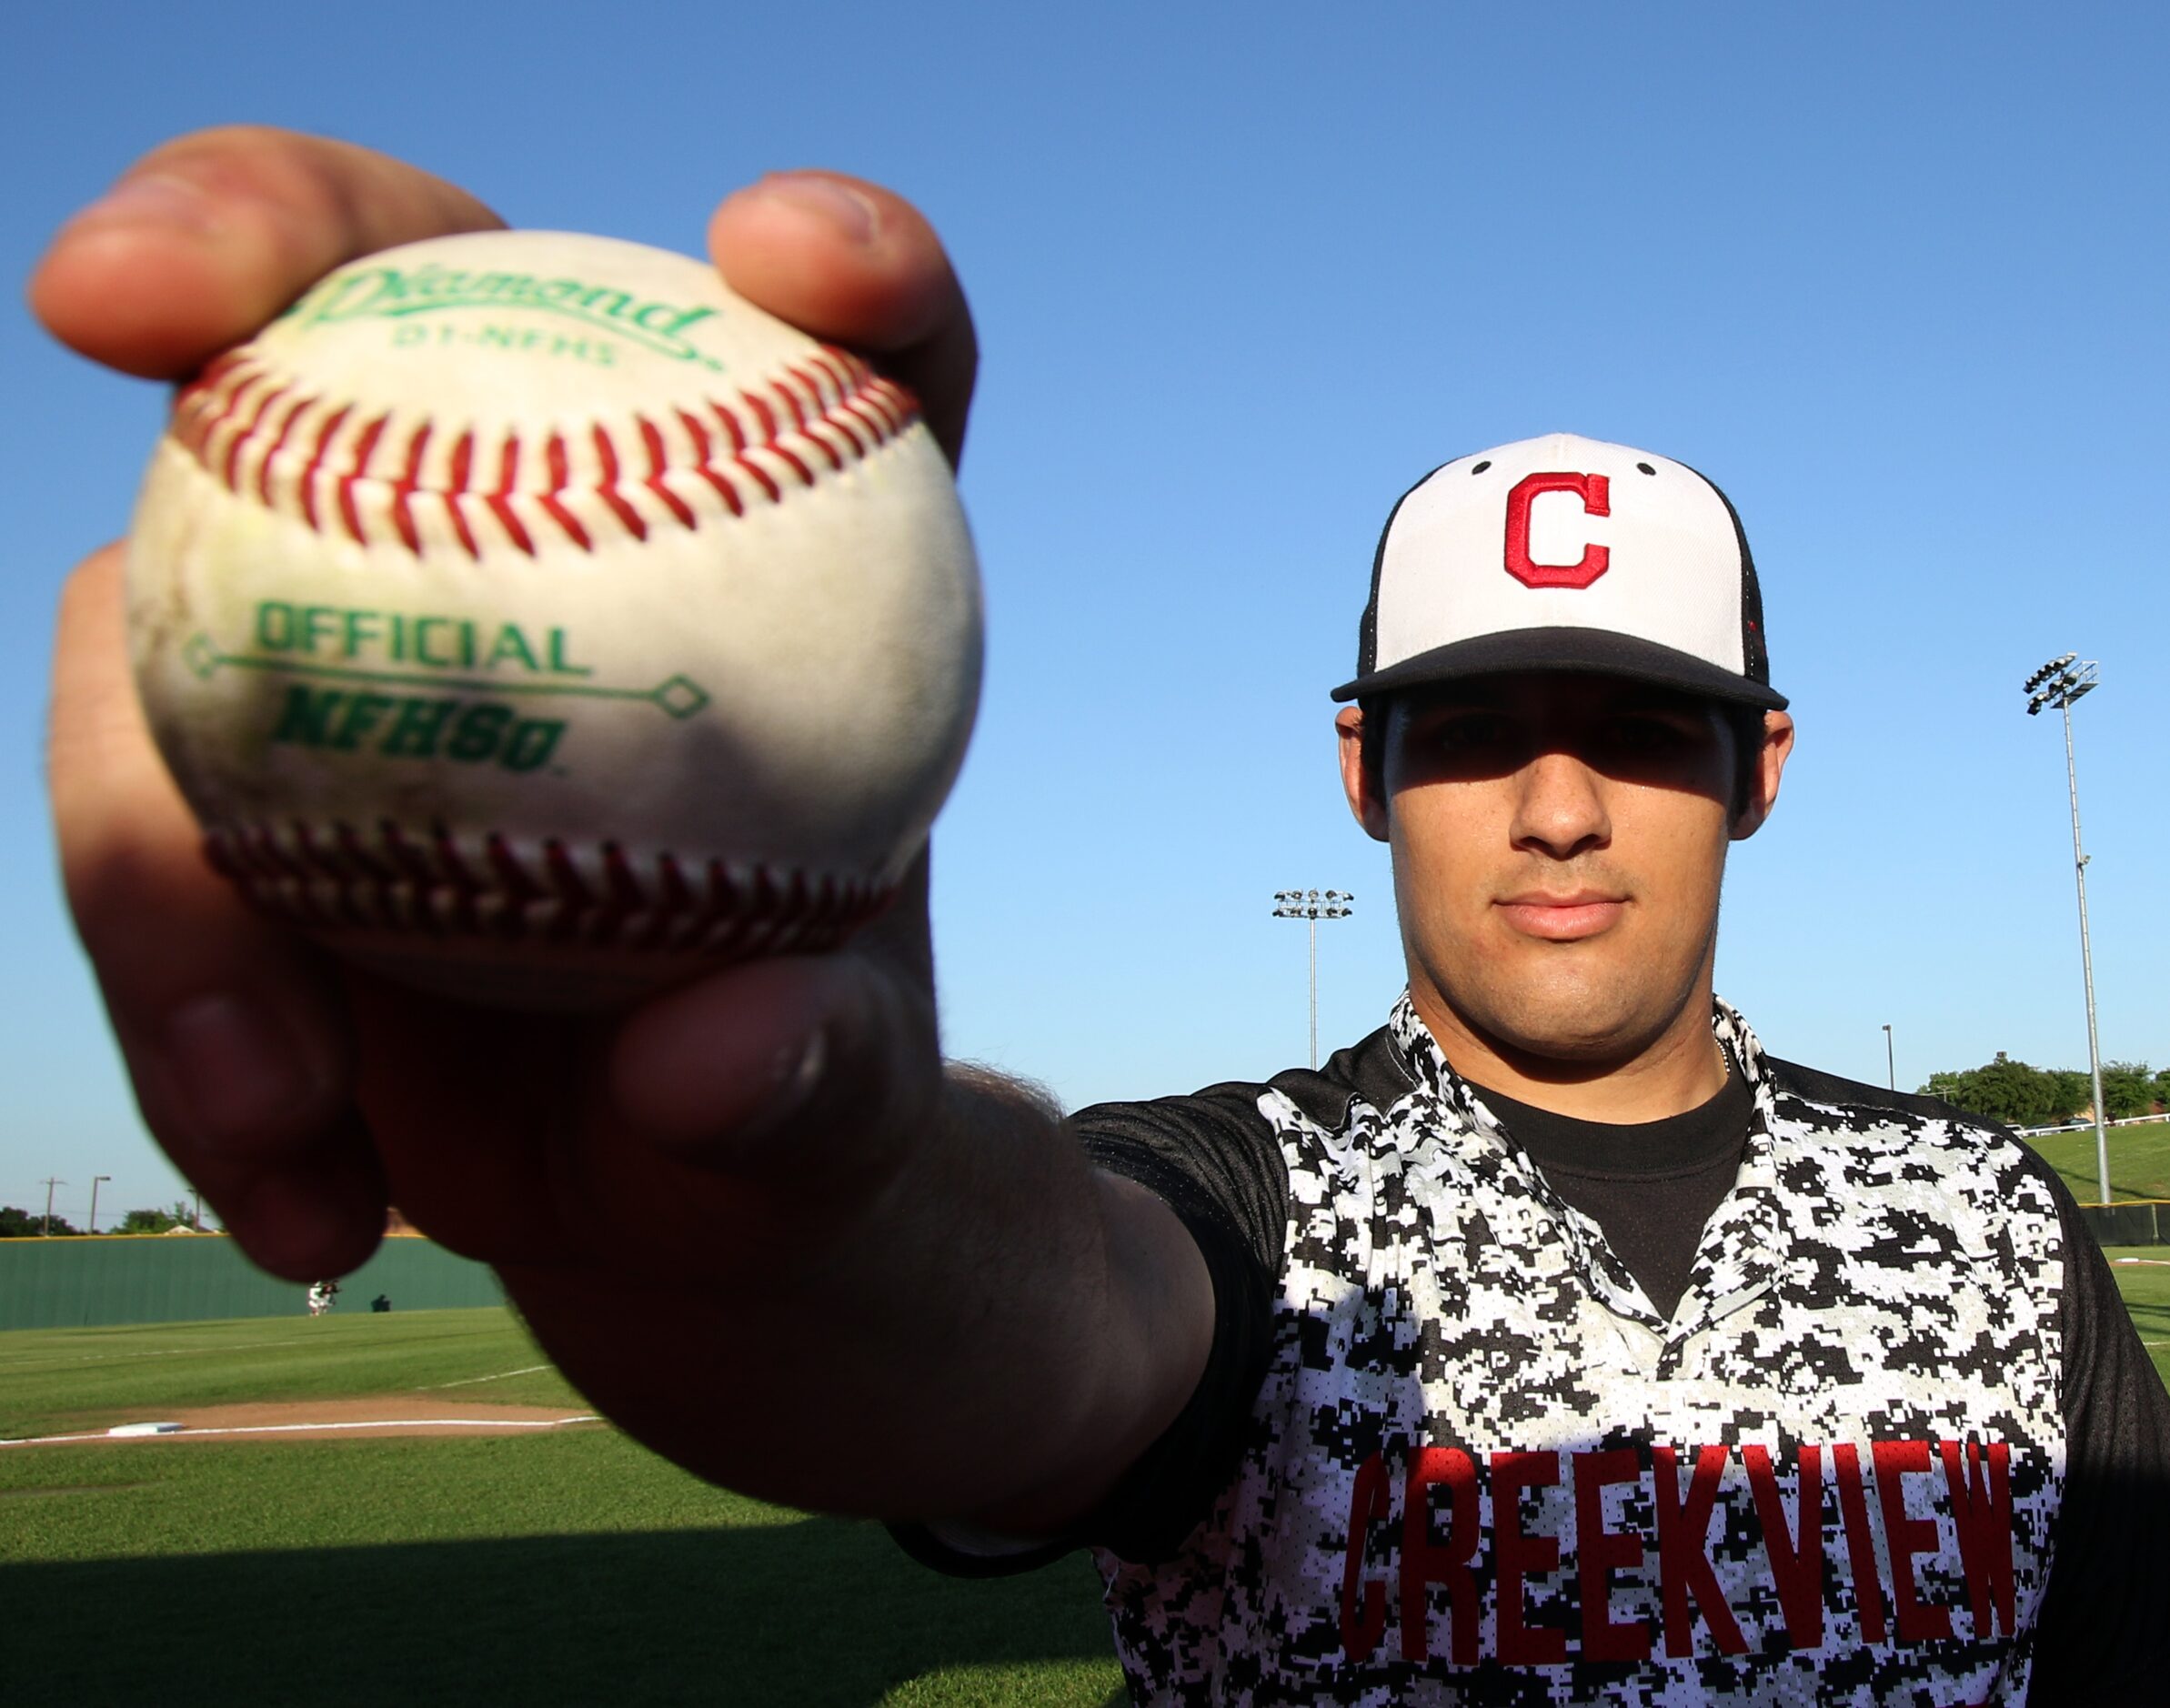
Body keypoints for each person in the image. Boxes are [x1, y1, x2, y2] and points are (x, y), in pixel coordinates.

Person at [35, 128, 2168, 1703]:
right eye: (1462, 732)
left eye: (1633, 730)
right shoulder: (1247, 1193)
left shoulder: (1984, 1217)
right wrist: (784, 1212)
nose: (1543, 802)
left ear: (1755, 772)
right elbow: (1016, 1325)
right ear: (1358, 771)